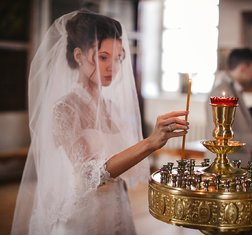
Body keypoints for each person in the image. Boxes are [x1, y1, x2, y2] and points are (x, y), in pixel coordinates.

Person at [11, 10, 189, 235]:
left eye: (118, 58)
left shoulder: (112, 108)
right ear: (78, 56)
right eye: (103, 57)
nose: (112, 67)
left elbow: (126, 166)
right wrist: (150, 143)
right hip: (82, 218)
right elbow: (88, 176)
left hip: (117, 209)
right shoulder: (64, 110)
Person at [205, 48, 252, 166]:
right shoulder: (221, 92)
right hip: (225, 165)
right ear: (242, 68)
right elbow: (220, 135)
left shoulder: (234, 89)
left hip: (236, 163)